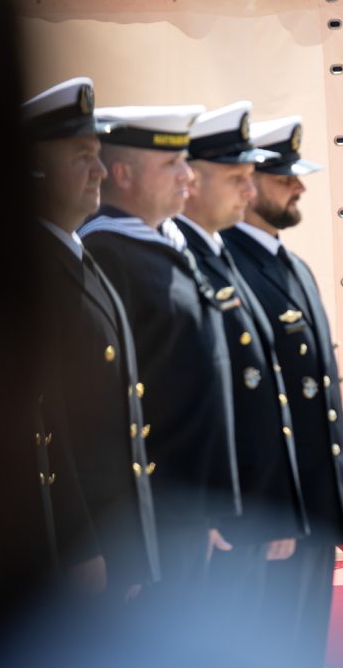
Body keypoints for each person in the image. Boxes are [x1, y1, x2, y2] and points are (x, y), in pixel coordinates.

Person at [79, 104, 241, 600]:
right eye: (171, 164)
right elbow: (98, 407)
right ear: (123, 174)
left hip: (189, 507)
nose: (187, 176)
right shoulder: (106, 251)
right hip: (150, 514)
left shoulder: (166, 240)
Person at [222, 115, 343, 668]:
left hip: (314, 497)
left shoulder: (291, 264)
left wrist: (341, 489)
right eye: (284, 178)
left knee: (305, 653)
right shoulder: (229, 265)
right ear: (249, 183)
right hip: (276, 503)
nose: (299, 187)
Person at [174, 101, 309, 627]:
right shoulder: (183, 258)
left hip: (249, 501)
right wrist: (212, 503)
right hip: (215, 508)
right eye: (237, 178)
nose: (249, 191)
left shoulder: (219, 255)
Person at [25, 78, 160, 601]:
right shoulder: (31, 270)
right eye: (82, 157)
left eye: (98, 155)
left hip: (113, 533)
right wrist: (77, 542)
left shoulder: (74, 254)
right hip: (75, 545)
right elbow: (42, 423)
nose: (100, 170)